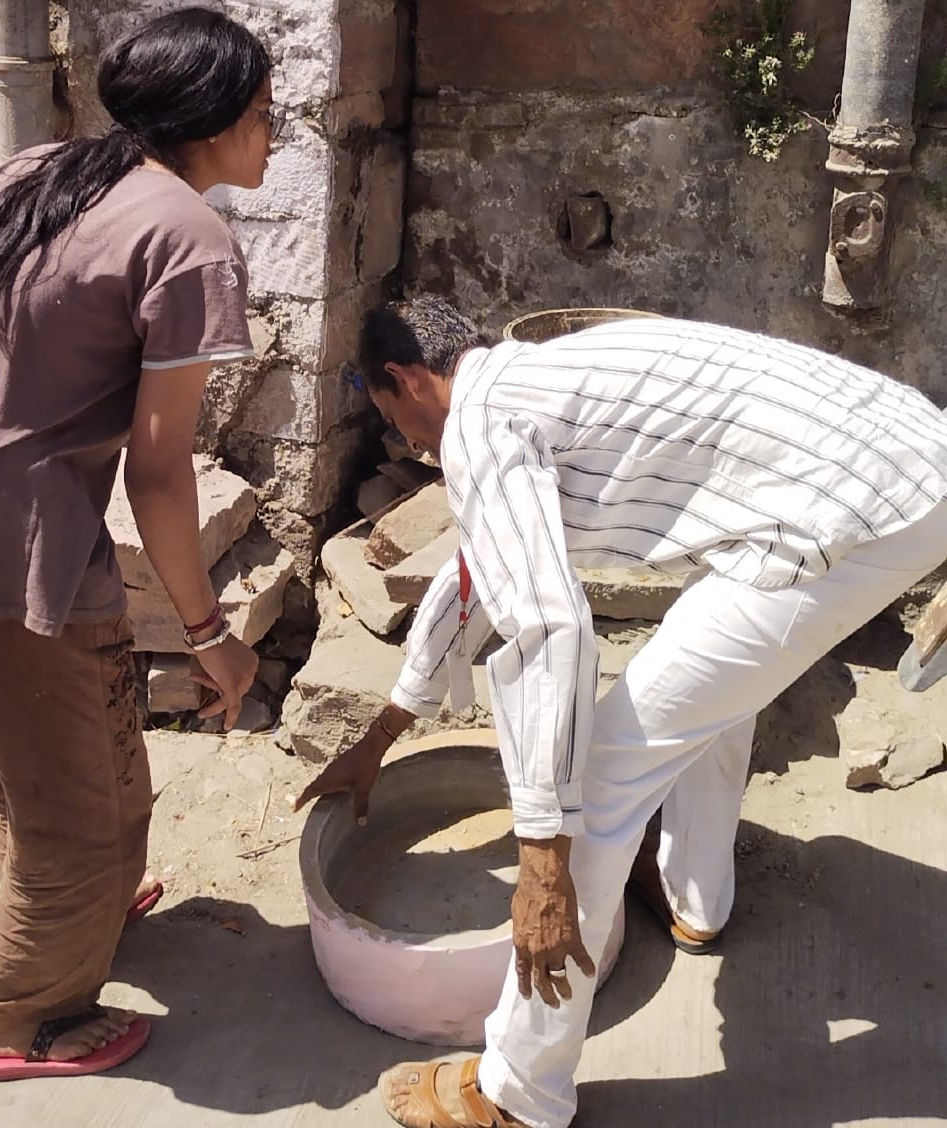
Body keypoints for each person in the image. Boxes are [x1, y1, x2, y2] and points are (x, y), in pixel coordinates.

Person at [294, 296, 947, 1128]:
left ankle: (519, 1094)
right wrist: (384, 731)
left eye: (392, 418)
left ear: (406, 378)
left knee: (596, 784)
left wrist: (542, 854)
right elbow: (480, 573)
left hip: (852, 513)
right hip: (905, 468)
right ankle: (695, 902)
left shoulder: (479, 425)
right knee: (712, 685)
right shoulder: (529, 383)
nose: (409, 443)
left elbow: (550, 632)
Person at [0, 7, 281, 1081]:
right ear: (216, 121)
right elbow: (159, 471)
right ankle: (21, 1016)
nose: (274, 134)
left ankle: (82, 909)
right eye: (264, 111)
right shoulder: (189, 238)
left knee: (42, 749)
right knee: (78, 815)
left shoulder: (44, 168)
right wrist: (209, 632)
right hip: (2, 530)